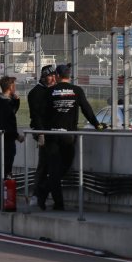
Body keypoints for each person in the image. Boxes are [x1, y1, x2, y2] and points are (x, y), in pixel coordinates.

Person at [41, 63, 102, 211]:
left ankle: (47, 195)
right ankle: (51, 198)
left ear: (56, 76)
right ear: (69, 76)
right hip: (69, 135)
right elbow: (86, 109)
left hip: (52, 135)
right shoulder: (77, 90)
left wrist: (41, 132)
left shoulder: (50, 91)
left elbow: (43, 115)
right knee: (65, 166)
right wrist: (97, 124)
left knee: (54, 170)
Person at [0, 76, 24, 209]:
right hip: (7, 141)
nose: (15, 87)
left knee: (3, 170)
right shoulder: (5, 104)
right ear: (10, 87)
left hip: (0, 139)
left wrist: (16, 101)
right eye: (14, 85)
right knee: (5, 171)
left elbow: (11, 113)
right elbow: (8, 122)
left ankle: (0, 200)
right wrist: (17, 136)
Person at [27, 65, 57, 206]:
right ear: (44, 77)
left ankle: (41, 196)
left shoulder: (52, 90)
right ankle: (36, 194)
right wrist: (41, 133)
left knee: (49, 165)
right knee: (44, 165)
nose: (53, 78)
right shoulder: (36, 93)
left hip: (52, 131)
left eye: (54, 76)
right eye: (50, 76)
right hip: (43, 132)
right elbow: (36, 115)